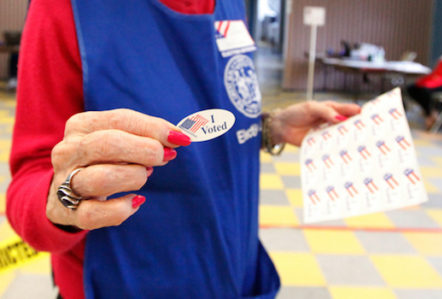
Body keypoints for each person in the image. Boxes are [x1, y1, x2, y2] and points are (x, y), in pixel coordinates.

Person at [6, 0, 360, 298]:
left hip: (234, 271)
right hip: (126, 281)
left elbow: (208, 115)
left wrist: (267, 127)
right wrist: (64, 195)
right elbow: (27, 188)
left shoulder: (231, 5)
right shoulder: (68, 9)